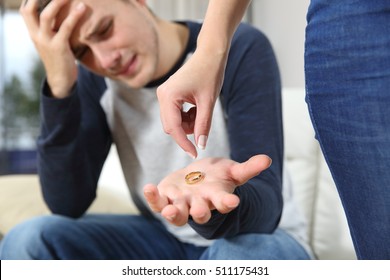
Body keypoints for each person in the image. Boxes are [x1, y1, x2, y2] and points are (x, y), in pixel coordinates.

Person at [0, 0, 311, 260]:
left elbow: (267, 209)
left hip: (261, 237)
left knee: (237, 259)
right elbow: (67, 203)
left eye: (105, 30)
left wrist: (213, 205)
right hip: (163, 239)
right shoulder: (96, 82)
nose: (106, 60)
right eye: (82, 53)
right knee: (28, 239)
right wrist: (59, 86)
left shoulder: (235, 47)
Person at [158, 0, 390, 260]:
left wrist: (211, 51)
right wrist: (211, 49)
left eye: (106, 29)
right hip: (349, 20)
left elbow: (266, 198)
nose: (106, 59)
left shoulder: (247, 48)